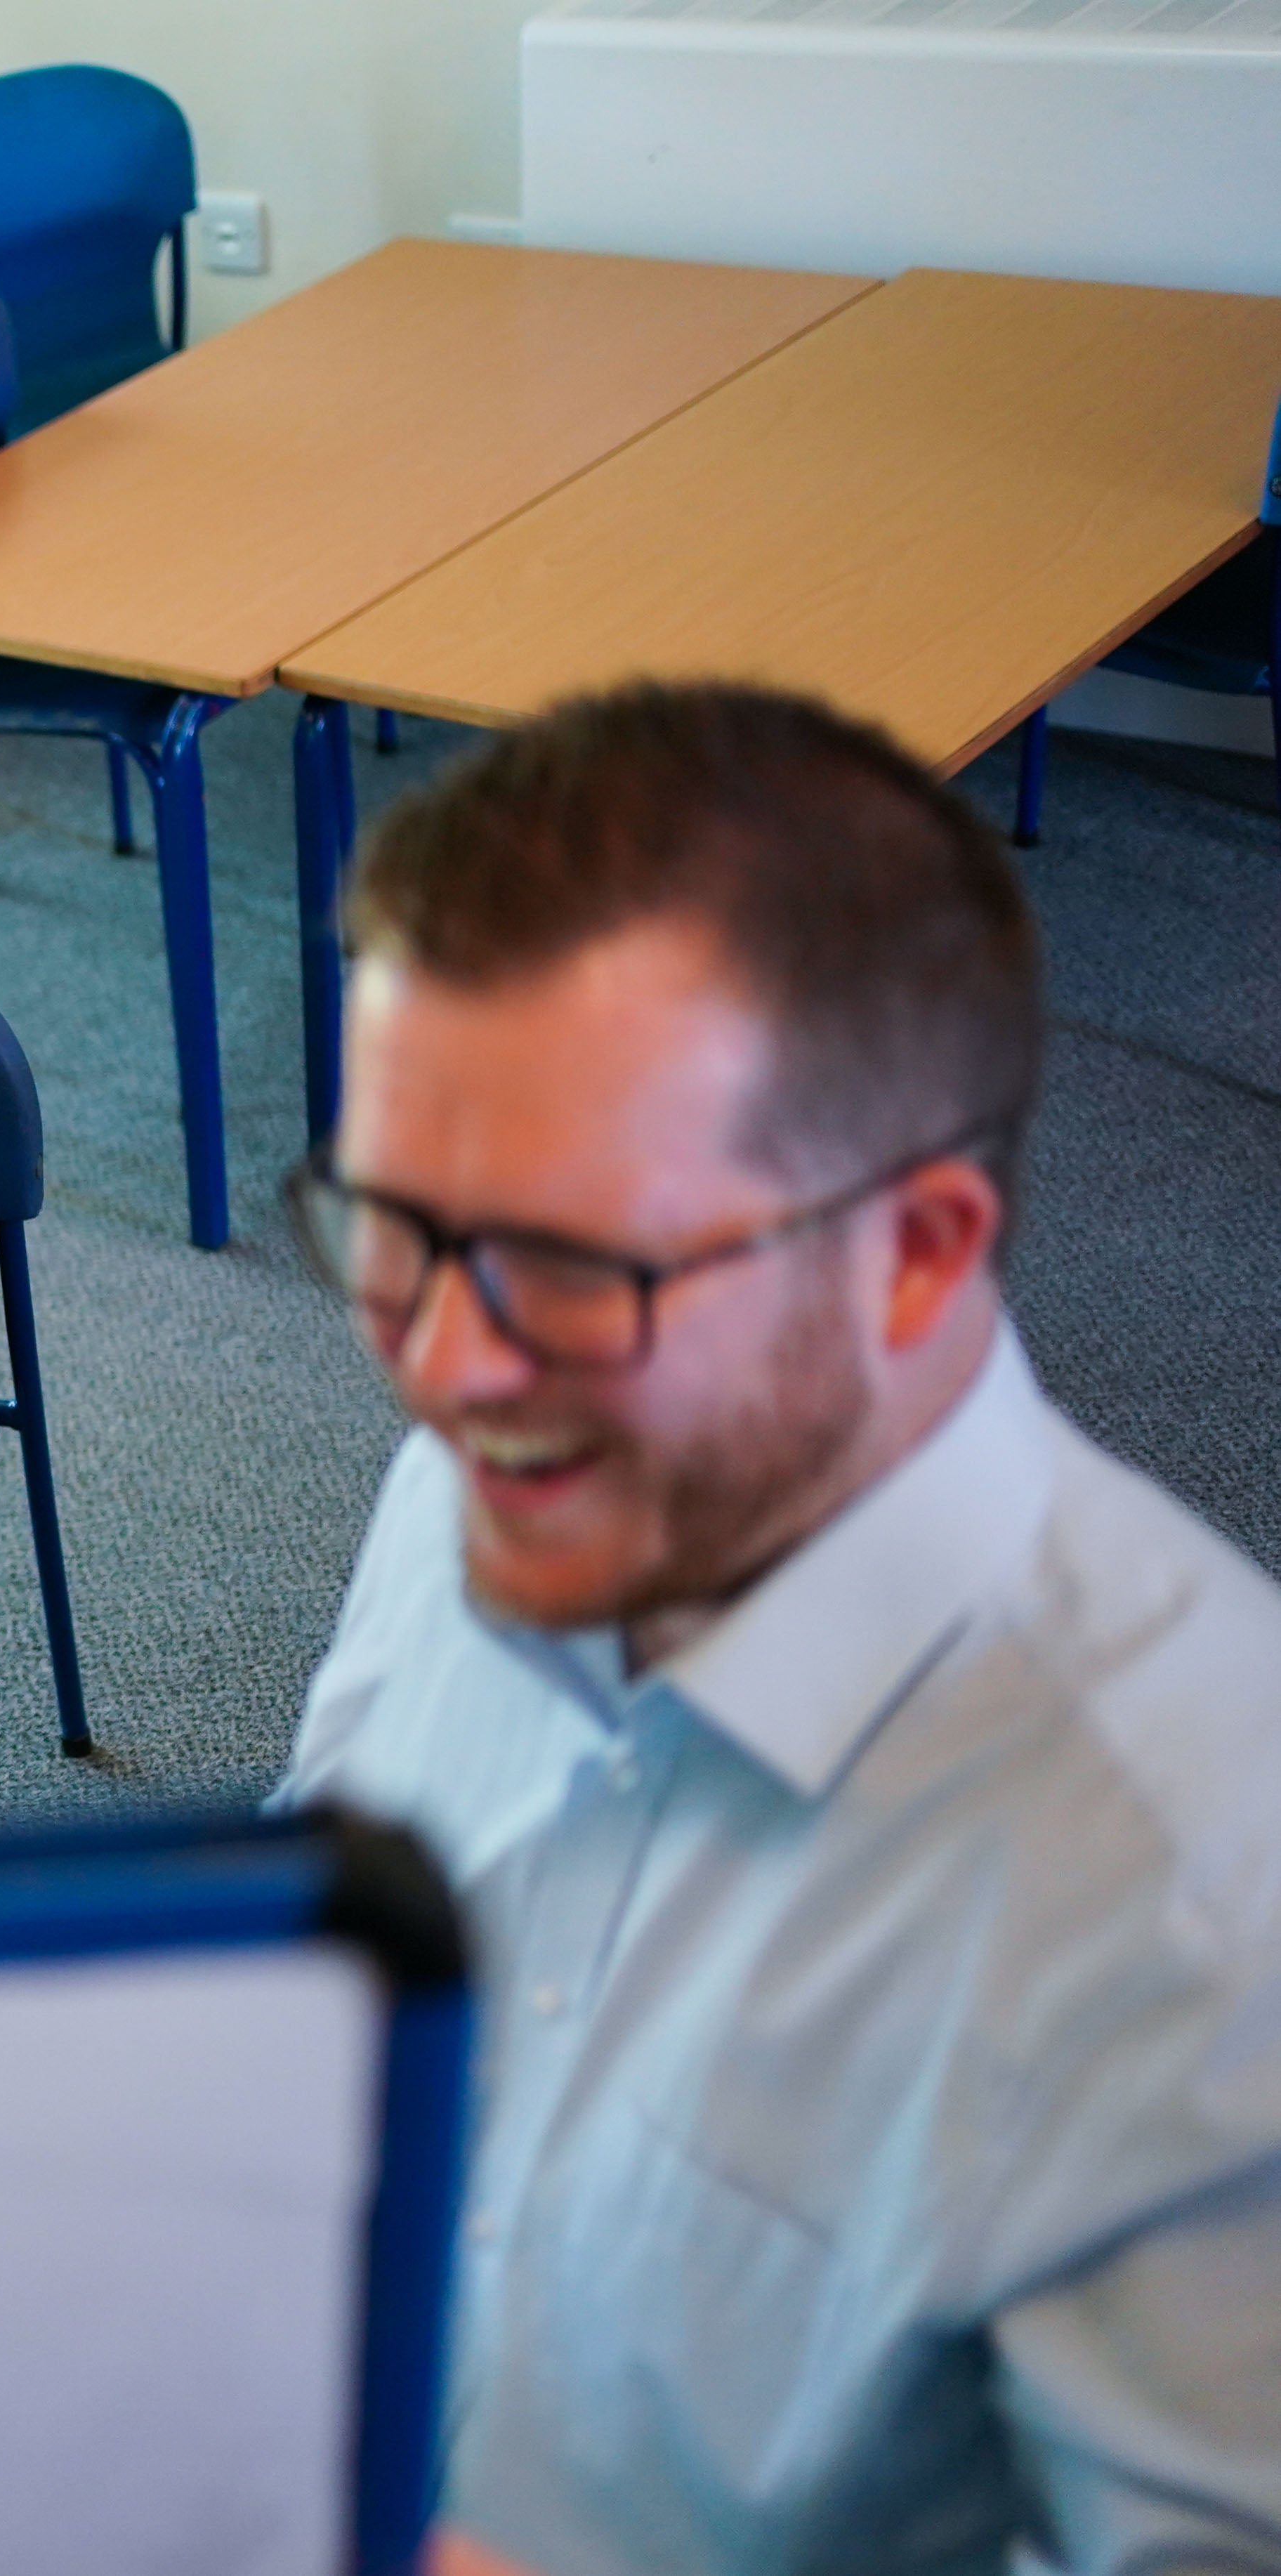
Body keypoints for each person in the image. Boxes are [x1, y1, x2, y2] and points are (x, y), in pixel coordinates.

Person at [279, 683, 1281, 2572]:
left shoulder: (1210, 1920)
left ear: (911, 1251)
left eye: (571, 1264)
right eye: (390, 1228)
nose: (439, 1365)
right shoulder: (487, 1489)